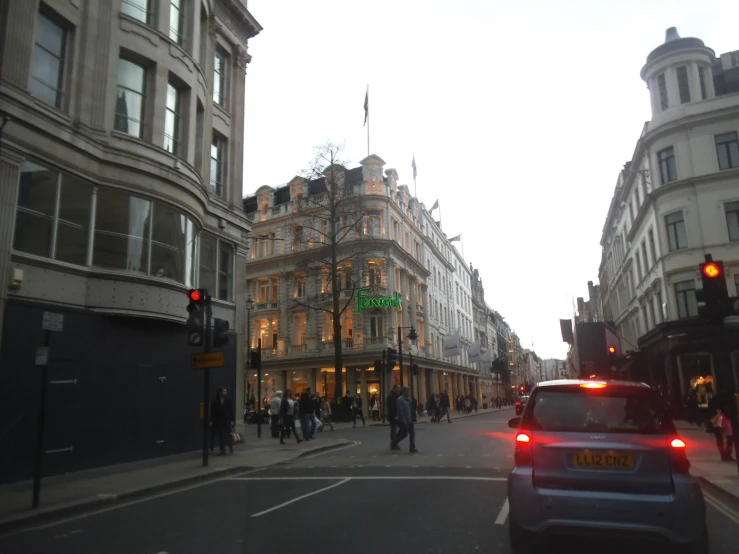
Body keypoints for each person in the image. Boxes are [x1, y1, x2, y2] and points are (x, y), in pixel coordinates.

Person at [391, 386, 419, 453]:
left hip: (410, 419)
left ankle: (412, 448)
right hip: (404, 420)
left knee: (412, 433)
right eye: (408, 391)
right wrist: (404, 421)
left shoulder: (408, 399)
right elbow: (400, 411)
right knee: (404, 434)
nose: (409, 393)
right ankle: (394, 443)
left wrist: (413, 418)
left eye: (409, 391)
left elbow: (411, 409)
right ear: (404, 392)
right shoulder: (400, 400)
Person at [210, 387, 234, 455]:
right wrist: (211, 420)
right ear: (220, 392)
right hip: (218, 420)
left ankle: (231, 449)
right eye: (223, 391)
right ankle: (222, 449)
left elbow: (231, 411)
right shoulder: (215, 401)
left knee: (228, 435)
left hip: (226, 420)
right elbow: (213, 411)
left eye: (225, 391)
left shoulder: (228, 400)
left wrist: (232, 420)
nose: (225, 392)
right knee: (220, 435)